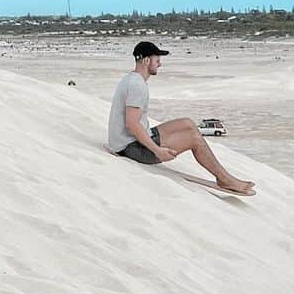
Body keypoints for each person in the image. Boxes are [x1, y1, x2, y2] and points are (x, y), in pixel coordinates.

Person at [107, 41, 255, 195]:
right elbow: (132, 124)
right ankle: (225, 179)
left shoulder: (132, 79)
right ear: (146, 61)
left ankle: (224, 177)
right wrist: (157, 150)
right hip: (130, 148)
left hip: (128, 141)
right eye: (157, 60)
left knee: (188, 123)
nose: (160, 65)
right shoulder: (137, 85)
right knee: (194, 139)